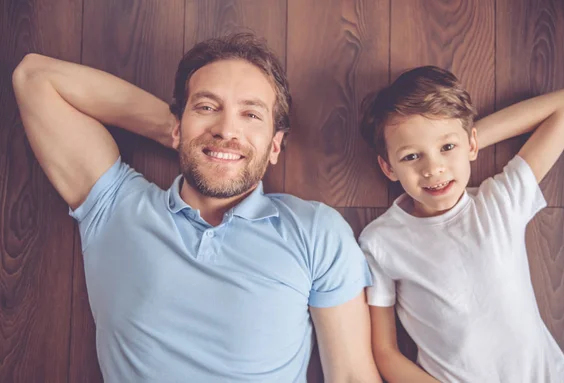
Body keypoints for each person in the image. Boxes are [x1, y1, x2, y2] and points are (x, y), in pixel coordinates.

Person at [12, 33, 381, 383]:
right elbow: (34, 77)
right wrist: (189, 136)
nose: (226, 128)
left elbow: (351, 376)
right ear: (177, 126)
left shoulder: (316, 231)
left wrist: (206, 136)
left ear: (275, 146)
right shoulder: (114, 208)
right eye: (207, 107)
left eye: (250, 115)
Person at [358, 65, 564, 383]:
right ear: (388, 167)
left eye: (446, 148)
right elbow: (384, 352)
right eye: (411, 157)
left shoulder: (500, 201)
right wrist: (453, 144)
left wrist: (465, 142)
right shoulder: (380, 241)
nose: (433, 169)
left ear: (472, 145)